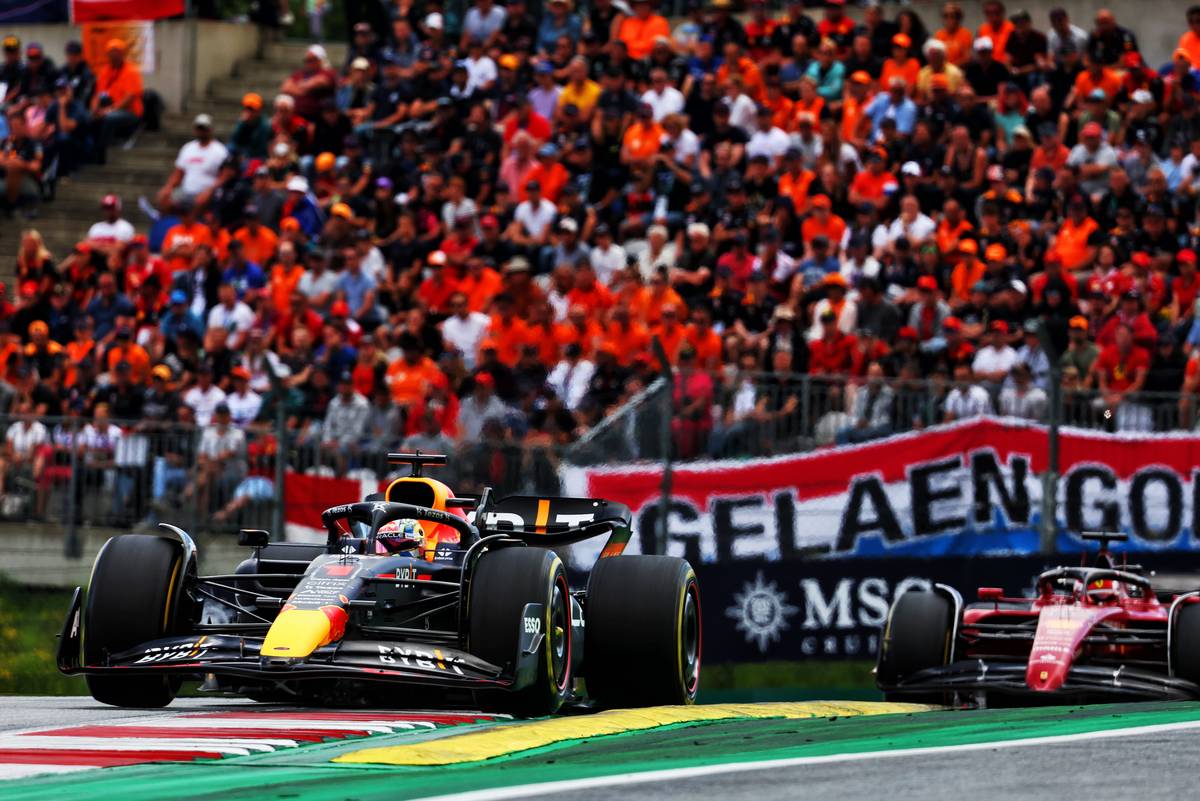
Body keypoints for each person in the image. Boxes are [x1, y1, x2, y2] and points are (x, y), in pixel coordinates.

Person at [90, 38, 142, 165]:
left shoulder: (131, 71)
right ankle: (88, 152)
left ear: (122, 53)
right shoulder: (104, 71)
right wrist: (95, 109)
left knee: (109, 118)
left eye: (117, 52)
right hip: (107, 108)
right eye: (111, 52)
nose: (114, 55)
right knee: (88, 118)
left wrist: (109, 110)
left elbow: (129, 98)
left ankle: (100, 153)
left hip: (130, 112)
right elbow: (97, 94)